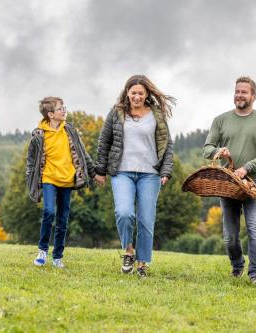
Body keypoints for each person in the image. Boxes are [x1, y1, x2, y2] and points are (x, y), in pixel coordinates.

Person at [94, 75, 175, 277]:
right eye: (133, 93)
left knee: (146, 219)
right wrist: (100, 170)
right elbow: (104, 142)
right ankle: (128, 250)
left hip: (150, 174)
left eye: (140, 93)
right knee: (124, 213)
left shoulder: (157, 114)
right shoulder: (117, 113)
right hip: (122, 172)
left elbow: (167, 145)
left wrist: (165, 171)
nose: (137, 97)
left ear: (146, 94)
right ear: (127, 93)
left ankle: (142, 265)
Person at [203, 76, 256, 285]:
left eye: (244, 92)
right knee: (230, 235)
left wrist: (247, 168)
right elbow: (207, 148)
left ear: (254, 95)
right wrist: (218, 151)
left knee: (254, 227)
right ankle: (237, 265)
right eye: (237, 91)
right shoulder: (221, 120)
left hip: (255, 182)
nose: (239, 95)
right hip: (228, 182)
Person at [26, 96, 95, 268]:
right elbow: (31, 161)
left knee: (63, 219)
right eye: (60, 108)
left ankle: (57, 256)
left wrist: (94, 173)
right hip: (49, 178)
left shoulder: (70, 130)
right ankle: (42, 250)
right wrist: (30, 181)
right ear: (50, 114)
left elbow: (83, 154)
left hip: (68, 180)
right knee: (49, 212)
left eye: (64, 107)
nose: (64, 110)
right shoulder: (39, 135)